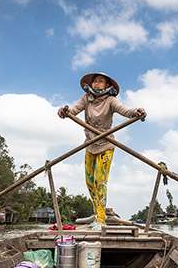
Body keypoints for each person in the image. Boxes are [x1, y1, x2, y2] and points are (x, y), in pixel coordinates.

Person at [58, 72, 145, 229]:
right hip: (90, 144)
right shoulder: (86, 99)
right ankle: (97, 212)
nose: (97, 84)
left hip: (106, 144)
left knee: (100, 180)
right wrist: (64, 112)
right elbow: (73, 110)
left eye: (101, 81)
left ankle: (101, 219)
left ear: (107, 85)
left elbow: (125, 111)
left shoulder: (111, 101)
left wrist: (136, 112)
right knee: (89, 181)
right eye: (95, 81)